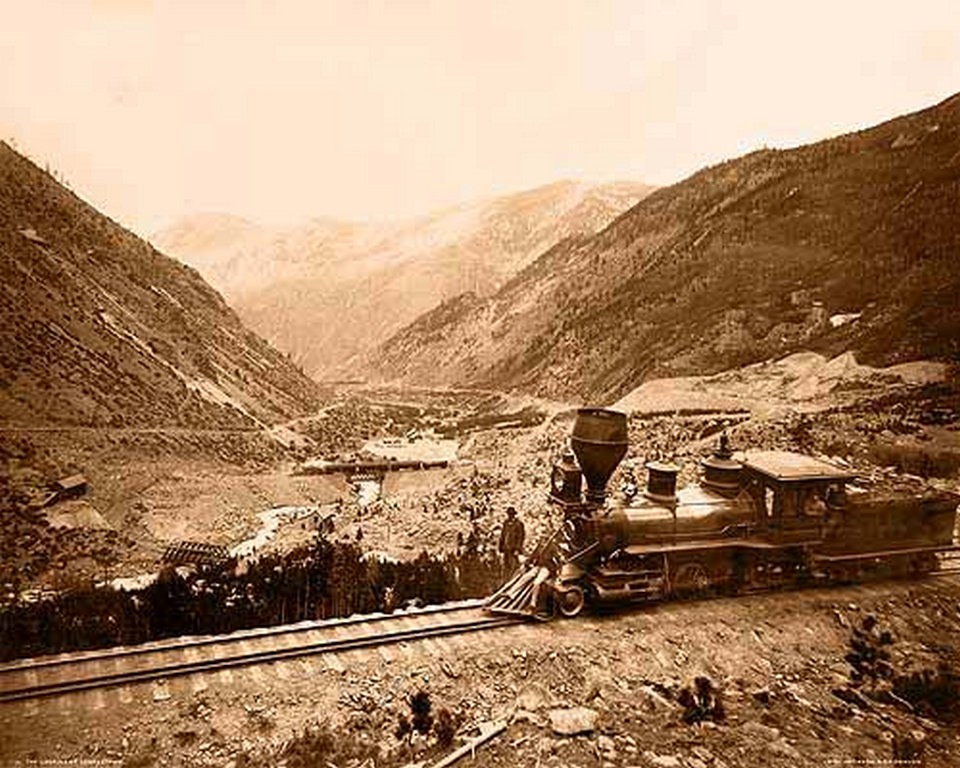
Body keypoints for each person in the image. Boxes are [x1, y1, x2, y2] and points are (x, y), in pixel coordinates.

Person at [498, 506, 525, 574]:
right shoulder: (506, 523)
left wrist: (517, 549)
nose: (510, 515)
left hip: (513, 549)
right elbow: (503, 535)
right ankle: (505, 580)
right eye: (509, 514)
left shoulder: (518, 524)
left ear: (514, 514)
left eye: (511, 514)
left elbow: (520, 537)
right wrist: (500, 546)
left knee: (513, 566)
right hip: (506, 548)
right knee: (506, 566)